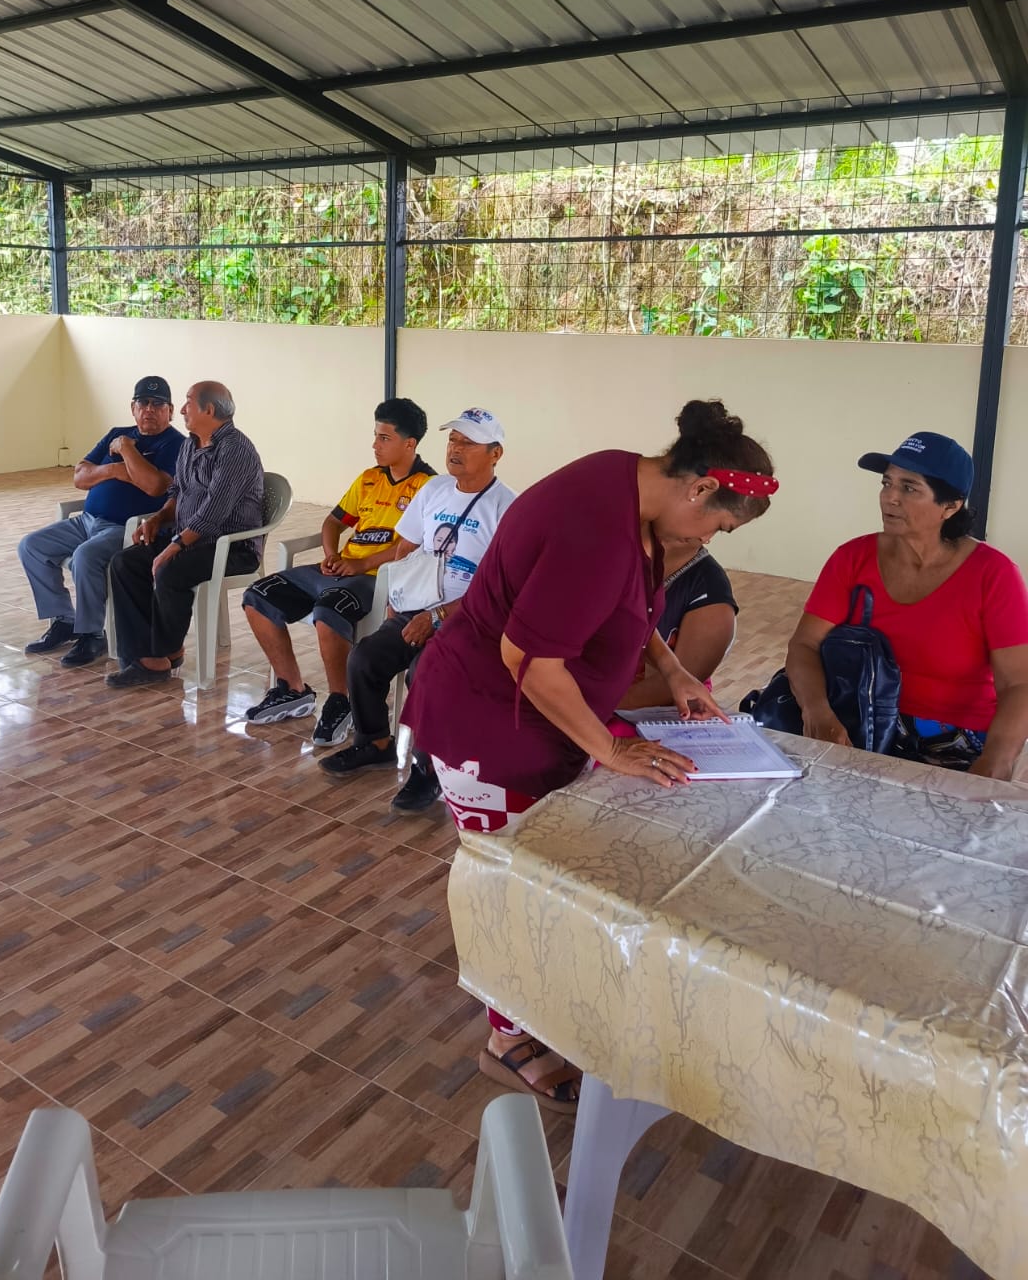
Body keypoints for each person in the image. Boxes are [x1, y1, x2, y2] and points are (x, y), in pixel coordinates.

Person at [403, 399, 777, 1112]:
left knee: (543, 879)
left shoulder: (625, 479)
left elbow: (627, 604)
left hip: (543, 724)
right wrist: (611, 749)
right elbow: (528, 660)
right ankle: (507, 1041)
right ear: (700, 488)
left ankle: (542, 1008)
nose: (709, 539)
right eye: (718, 526)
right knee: (509, 885)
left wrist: (674, 671)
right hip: (490, 725)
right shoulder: (595, 531)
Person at [786, 431, 1028, 779]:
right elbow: (805, 644)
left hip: (956, 741)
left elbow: (1018, 684)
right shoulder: (852, 559)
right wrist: (817, 711)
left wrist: (997, 759)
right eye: (887, 483)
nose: (890, 497)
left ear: (951, 506)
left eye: (909, 488)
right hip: (857, 720)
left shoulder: (993, 575)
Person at [323, 408, 516, 784]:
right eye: (453, 440)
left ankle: (428, 771)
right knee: (364, 658)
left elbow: (501, 589)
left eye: (469, 443)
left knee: (424, 673)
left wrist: (439, 617)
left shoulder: (507, 508)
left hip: (470, 620)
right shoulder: (435, 489)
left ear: (496, 454)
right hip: (417, 607)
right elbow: (405, 548)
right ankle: (375, 743)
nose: (455, 449)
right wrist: (396, 598)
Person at [242, 399, 434, 746]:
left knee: (329, 608)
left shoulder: (428, 487)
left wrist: (361, 565)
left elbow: (415, 547)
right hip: (341, 568)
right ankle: (292, 689)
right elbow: (333, 522)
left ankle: (340, 700)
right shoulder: (369, 479)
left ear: (410, 444)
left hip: (378, 579)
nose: (375, 445)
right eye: (375, 436)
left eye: (384, 438)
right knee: (259, 596)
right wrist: (331, 555)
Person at [18, 375, 184, 668]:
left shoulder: (176, 444)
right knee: (31, 546)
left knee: (85, 556)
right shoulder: (115, 434)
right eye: (143, 403)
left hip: (126, 528)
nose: (149, 409)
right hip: (86, 521)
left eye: (158, 404)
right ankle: (64, 620)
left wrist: (127, 449)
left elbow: (155, 486)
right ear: (133, 408)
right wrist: (115, 471)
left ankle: (92, 634)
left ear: (170, 411)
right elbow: (80, 477)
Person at [105, 382, 264, 688]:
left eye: (188, 403)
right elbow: (177, 492)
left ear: (209, 410)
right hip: (192, 540)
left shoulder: (235, 450)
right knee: (125, 563)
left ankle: (165, 652)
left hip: (231, 548)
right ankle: (146, 654)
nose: (181, 410)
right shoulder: (191, 444)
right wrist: (158, 519)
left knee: (170, 569)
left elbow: (213, 513)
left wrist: (173, 547)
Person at [616, 537, 737, 710]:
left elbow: (670, 689)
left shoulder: (710, 591)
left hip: (646, 710)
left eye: (723, 527)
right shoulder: (616, 554)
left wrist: (593, 707)